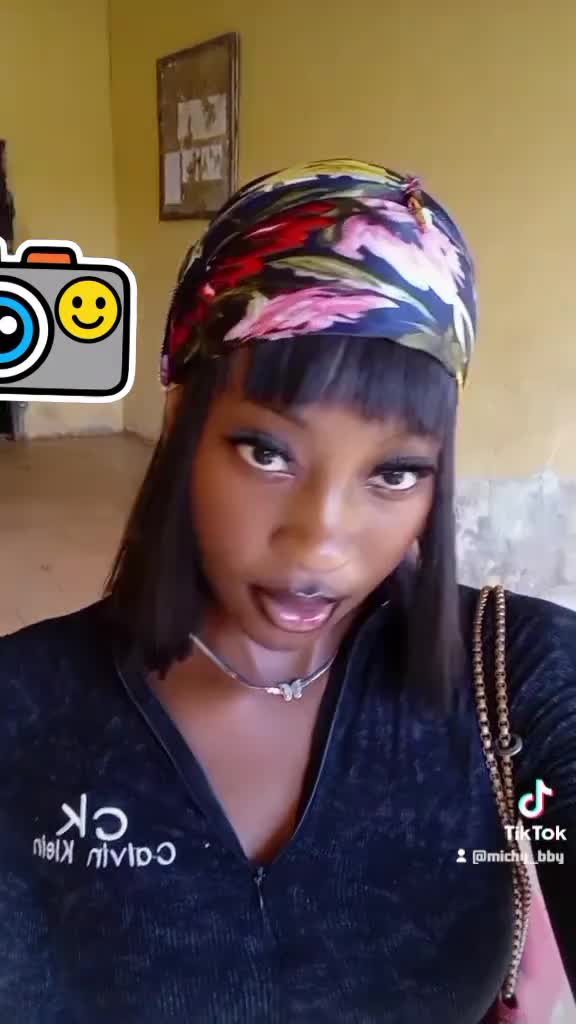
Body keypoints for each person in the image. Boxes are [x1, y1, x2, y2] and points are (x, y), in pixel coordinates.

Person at [0, 159, 574, 1024]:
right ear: (182, 422)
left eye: (395, 472)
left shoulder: (516, 678)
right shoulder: (23, 709)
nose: (320, 545)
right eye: (267, 453)